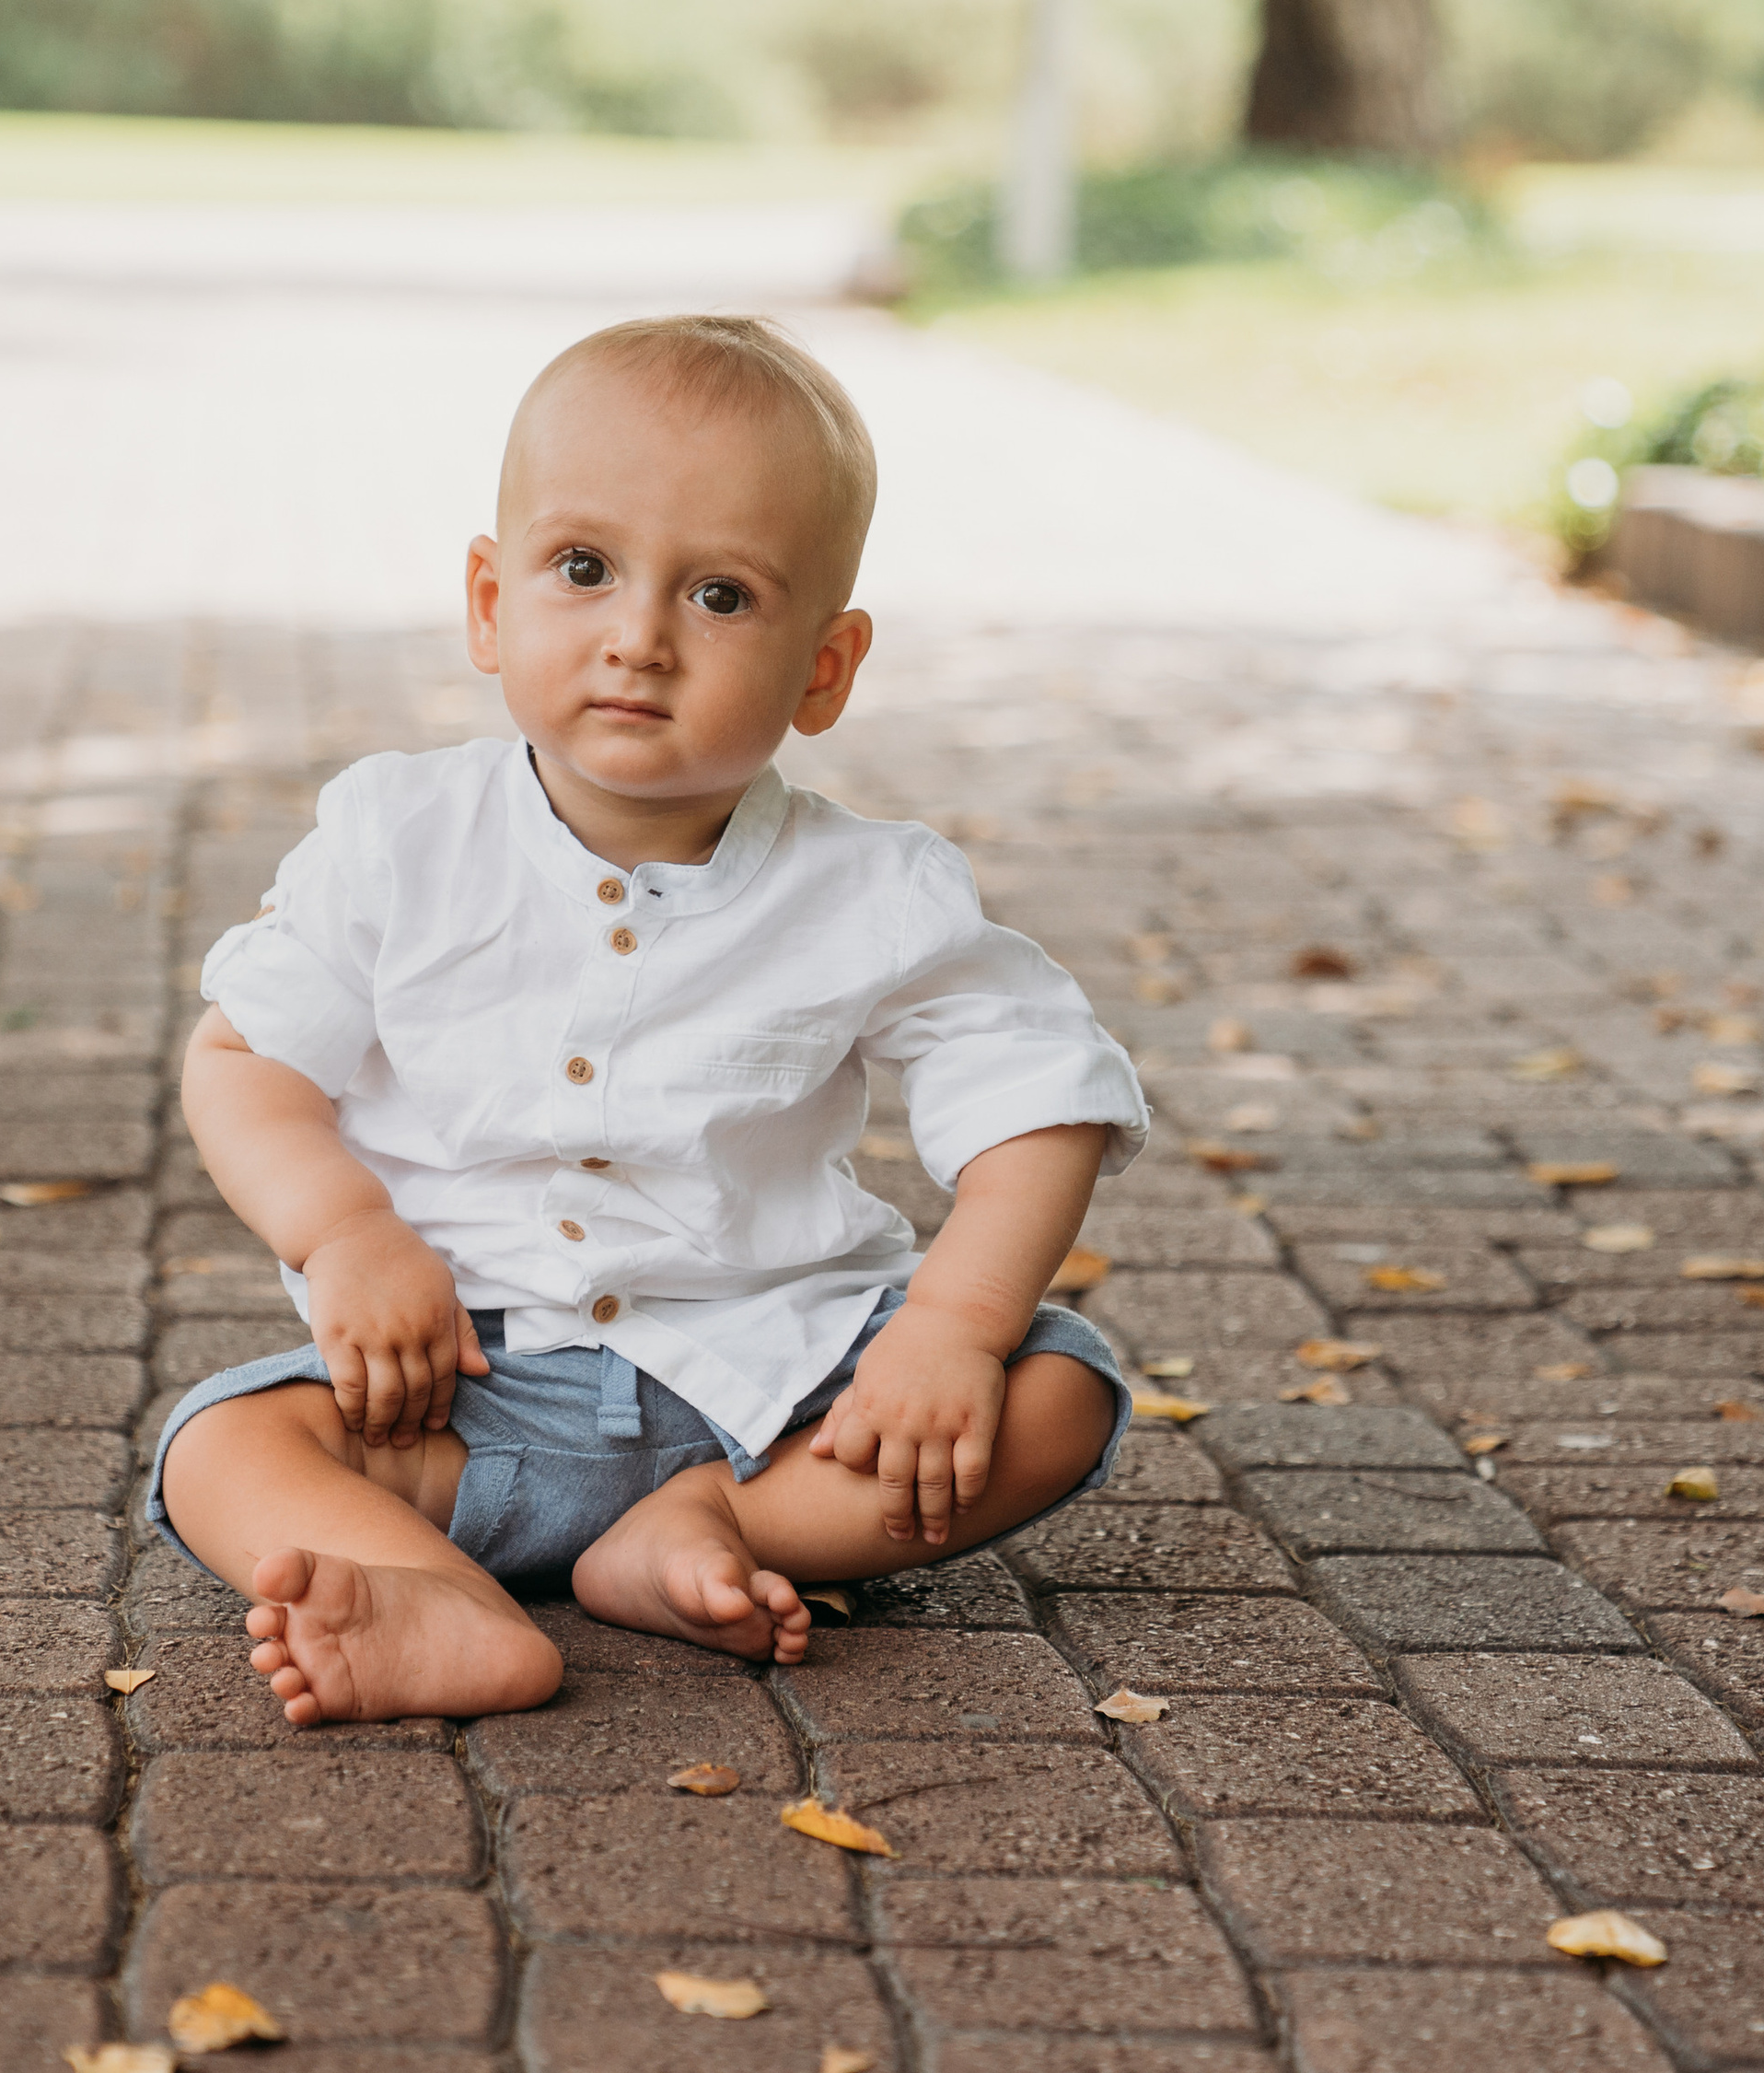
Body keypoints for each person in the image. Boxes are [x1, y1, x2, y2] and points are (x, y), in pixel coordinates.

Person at [148, 314, 1148, 1725]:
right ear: (493, 604)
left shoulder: (876, 890)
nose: (640, 638)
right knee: (221, 1446)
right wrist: (347, 1233)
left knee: (1059, 1392)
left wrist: (951, 1329)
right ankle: (432, 1597)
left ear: (825, 668)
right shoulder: (399, 836)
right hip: (462, 1397)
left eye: (723, 597)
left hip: (790, 1387)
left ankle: (719, 1527)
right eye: (583, 569)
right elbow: (245, 1057)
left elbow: (1041, 1099)